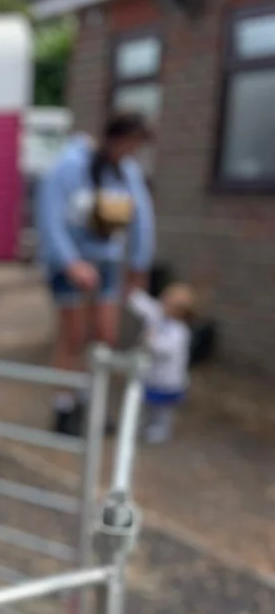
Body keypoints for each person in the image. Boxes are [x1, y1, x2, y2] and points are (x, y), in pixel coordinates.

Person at [35, 111, 156, 435]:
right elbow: (49, 217)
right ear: (117, 139)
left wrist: (139, 264)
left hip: (106, 261)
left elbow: (141, 217)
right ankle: (63, 408)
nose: (133, 153)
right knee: (73, 335)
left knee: (105, 334)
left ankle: (92, 403)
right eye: (130, 144)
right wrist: (70, 262)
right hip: (70, 261)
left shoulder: (126, 172)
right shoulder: (68, 166)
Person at [127, 282, 196, 443]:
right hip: (152, 374)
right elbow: (145, 306)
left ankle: (160, 429)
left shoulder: (180, 331)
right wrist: (133, 295)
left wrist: (151, 339)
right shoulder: (158, 314)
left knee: (163, 409)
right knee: (147, 402)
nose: (162, 305)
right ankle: (144, 425)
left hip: (168, 379)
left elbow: (164, 350)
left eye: (168, 303)